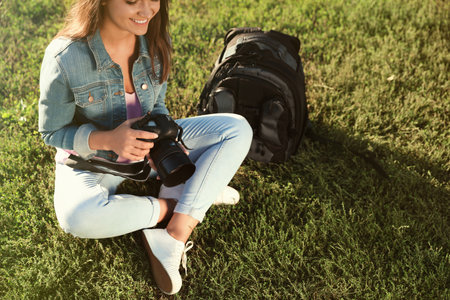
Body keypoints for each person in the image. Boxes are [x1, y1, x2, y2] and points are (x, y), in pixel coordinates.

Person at [38, 0, 252, 295]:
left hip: (148, 153)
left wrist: (166, 141)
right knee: (77, 218)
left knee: (236, 130)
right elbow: (52, 132)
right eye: (131, 1)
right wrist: (110, 139)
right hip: (93, 162)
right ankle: (187, 201)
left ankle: (174, 234)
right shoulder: (65, 57)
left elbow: (157, 106)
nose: (146, 10)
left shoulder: (155, 38)